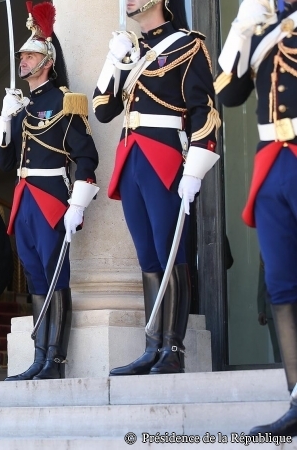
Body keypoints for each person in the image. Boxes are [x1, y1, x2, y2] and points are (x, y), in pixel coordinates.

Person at [93, 0, 220, 376]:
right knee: (148, 256)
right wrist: (113, 61)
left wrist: (196, 166)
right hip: (131, 158)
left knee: (171, 251)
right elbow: (103, 109)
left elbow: (204, 109)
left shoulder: (187, 45)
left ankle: (173, 349)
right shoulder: (134, 49)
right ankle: (153, 345)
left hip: (165, 157)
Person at [0, 0, 99, 381]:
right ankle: (39, 356)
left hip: (52, 196)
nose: (22, 61)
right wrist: (5, 119)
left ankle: (54, 360)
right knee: (37, 278)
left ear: (47, 61)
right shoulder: (23, 106)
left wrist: (78, 203)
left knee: (55, 277)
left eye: (29, 56)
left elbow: (87, 157)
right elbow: (5, 163)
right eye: (21, 56)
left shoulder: (64, 102)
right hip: (24, 198)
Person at [216, 0, 297, 435]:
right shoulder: (265, 32)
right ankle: (296, 397)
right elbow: (227, 92)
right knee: (281, 284)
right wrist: (241, 28)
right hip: (272, 162)